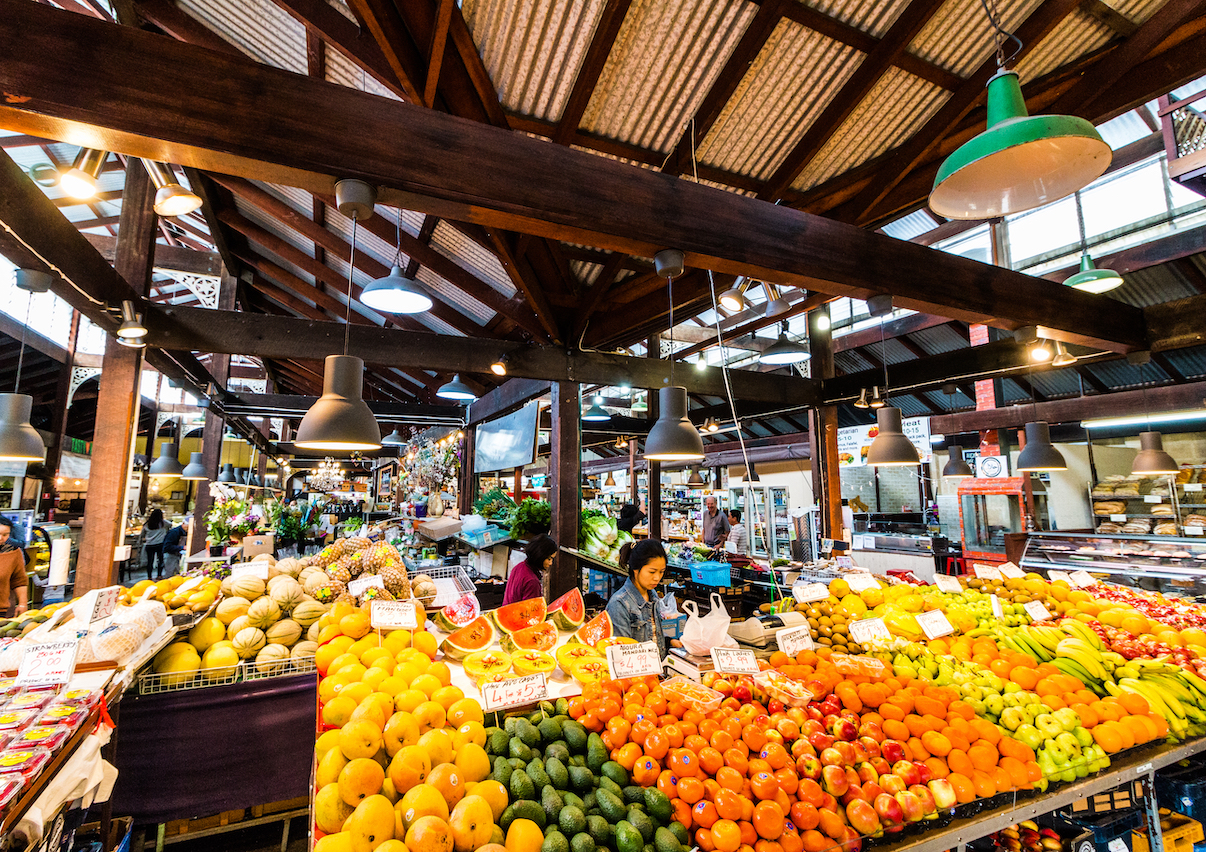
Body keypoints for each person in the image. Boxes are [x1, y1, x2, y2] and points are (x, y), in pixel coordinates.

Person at [607, 539, 681, 656]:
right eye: (652, 572)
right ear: (636, 569)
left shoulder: (653, 595)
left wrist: (668, 642)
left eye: (661, 572)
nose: (657, 578)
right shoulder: (619, 603)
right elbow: (621, 652)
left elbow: (653, 634)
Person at [503, 534, 555, 605]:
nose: (551, 563)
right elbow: (531, 612)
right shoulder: (532, 581)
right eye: (549, 559)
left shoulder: (519, 567)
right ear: (540, 556)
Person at [0, 518, 28, 617]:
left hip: (2, 610)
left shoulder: (13, 552)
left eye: (5, 535)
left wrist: (22, 604)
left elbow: (19, 580)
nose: (1, 538)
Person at [140, 509, 168, 580]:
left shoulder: (147, 524)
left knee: (150, 561)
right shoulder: (163, 523)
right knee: (160, 560)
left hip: (149, 544)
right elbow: (170, 525)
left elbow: (142, 534)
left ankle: (149, 576)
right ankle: (159, 575)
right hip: (160, 544)